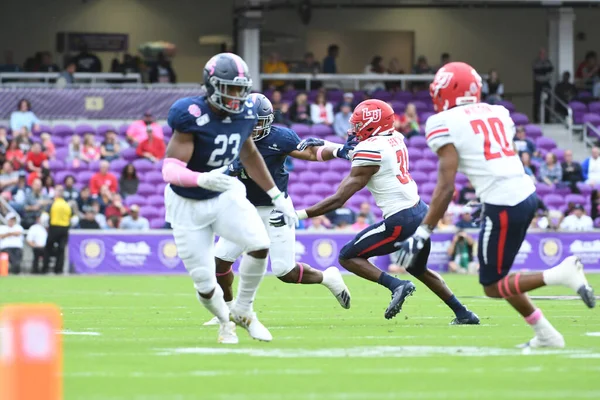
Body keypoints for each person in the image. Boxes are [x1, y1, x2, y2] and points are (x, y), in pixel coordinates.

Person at [395, 61, 595, 348]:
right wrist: (484, 197)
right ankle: (546, 335)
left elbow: (446, 186)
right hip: (525, 193)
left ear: (448, 90)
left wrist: (422, 233)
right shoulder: (498, 112)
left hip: (504, 201)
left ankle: (560, 273)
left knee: (492, 285)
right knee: (499, 278)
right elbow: (497, 160)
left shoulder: (442, 122)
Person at [295, 99, 478, 323]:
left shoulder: (370, 150)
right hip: (420, 212)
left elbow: (339, 198)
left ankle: (397, 285)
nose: (354, 130)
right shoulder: (395, 138)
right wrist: (326, 145)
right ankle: (464, 313)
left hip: (400, 220)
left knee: (347, 257)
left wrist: (300, 214)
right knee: (419, 268)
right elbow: (351, 152)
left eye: (359, 125)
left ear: (374, 126)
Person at [162, 53, 297, 344]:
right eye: (229, 88)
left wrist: (277, 195)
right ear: (211, 86)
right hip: (187, 202)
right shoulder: (190, 114)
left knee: (260, 244)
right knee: (205, 282)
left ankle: (244, 311)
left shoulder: (246, 112)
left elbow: (249, 153)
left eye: (240, 89)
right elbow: (169, 168)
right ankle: (225, 321)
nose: (236, 96)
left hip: (223, 192)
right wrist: (200, 178)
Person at [203, 94, 352, 326]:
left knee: (285, 272)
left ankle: (328, 277)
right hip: (245, 210)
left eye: (257, 121)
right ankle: (231, 312)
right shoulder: (230, 137)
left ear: (269, 120)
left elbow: (311, 151)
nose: (253, 126)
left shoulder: (279, 137)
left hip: (276, 209)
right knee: (220, 261)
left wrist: (339, 150)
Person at [43, 185, 72, 274]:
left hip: (54, 227)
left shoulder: (52, 203)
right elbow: (74, 219)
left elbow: (44, 217)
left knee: (48, 248)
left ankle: (45, 268)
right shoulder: (67, 205)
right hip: (64, 228)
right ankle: (58, 269)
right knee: (61, 249)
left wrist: (46, 227)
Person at [532, 48, 553, 123]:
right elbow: (537, 71)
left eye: (544, 53)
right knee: (537, 102)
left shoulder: (548, 62)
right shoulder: (536, 62)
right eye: (541, 53)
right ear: (539, 54)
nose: (543, 55)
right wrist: (544, 70)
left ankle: (547, 119)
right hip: (538, 84)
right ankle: (536, 119)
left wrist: (543, 70)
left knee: (548, 102)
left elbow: (550, 70)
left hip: (546, 84)